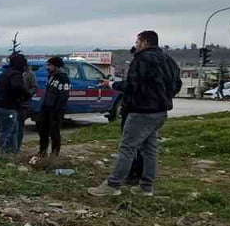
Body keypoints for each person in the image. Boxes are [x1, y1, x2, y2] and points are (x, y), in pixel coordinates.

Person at [89, 31, 182, 197]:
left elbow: (132, 85)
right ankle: (146, 187)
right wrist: (163, 97)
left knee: (127, 149)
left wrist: (111, 84)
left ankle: (113, 185)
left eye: (137, 41)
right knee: (150, 149)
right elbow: (177, 84)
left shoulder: (141, 59)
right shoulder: (168, 60)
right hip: (159, 112)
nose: (136, 44)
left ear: (145, 42)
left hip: (140, 111)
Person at [0, 52, 31, 153]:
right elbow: (17, 87)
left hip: (0, 106)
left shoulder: (4, 73)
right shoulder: (16, 74)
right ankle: (2, 152)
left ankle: (11, 152)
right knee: (8, 131)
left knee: (12, 130)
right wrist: (24, 96)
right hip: (9, 108)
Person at [37, 56, 71, 157]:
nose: (48, 67)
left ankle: (54, 154)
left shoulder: (63, 78)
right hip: (46, 108)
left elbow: (64, 96)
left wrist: (58, 110)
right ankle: (42, 151)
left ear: (56, 66)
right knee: (43, 131)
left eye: (50, 65)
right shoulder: (50, 76)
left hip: (56, 111)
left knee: (54, 133)